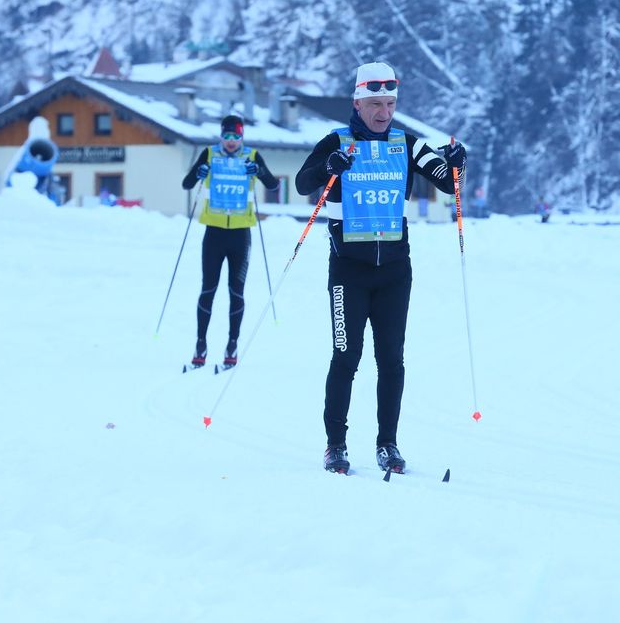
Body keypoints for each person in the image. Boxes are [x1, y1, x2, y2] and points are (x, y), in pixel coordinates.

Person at [295, 61, 466, 475]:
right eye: (375, 104)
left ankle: (387, 444)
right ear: (357, 102)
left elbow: (446, 179)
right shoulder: (336, 141)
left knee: (391, 359)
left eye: (389, 103)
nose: (383, 112)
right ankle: (335, 445)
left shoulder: (407, 143)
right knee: (345, 356)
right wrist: (328, 167)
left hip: (393, 270)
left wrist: (458, 159)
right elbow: (303, 182)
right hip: (348, 270)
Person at [182, 114, 279, 369]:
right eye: (227, 136)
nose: (232, 141)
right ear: (221, 136)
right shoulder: (209, 154)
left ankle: (232, 344)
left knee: (236, 291)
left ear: (242, 136)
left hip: (240, 234)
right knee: (208, 289)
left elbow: (273, 184)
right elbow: (186, 183)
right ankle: (200, 344)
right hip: (214, 232)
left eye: (236, 136)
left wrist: (258, 170)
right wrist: (199, 173)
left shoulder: (252, 155)